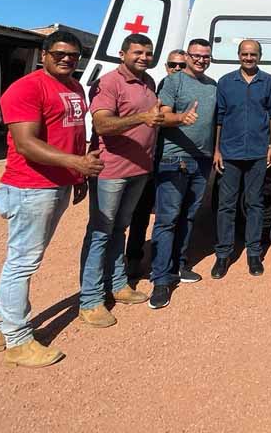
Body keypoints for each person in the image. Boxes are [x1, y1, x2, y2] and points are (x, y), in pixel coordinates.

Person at [0, 31, 103, 368]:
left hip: (58, 184)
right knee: (22, 263)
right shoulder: (26, 88)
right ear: (43, 54)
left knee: (21, 261)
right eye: (60, 53)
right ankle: (18, 340)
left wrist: (76, 176)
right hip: (30, 187)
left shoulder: (74, 87)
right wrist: (76, 163)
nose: (67, 59)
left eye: (73, 55)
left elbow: (74, 134)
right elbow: (25, 144)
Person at [79, 33, 162, 328]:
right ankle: (90, 300)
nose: (143, 57)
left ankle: (117, 284)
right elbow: (102, 123)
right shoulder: (110, 83)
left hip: (138, 169)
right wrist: (141, 118)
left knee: (119, 230)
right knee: (100, 232)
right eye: (137, 52)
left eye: (148, 53)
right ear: (122, 53)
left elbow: (153, 118)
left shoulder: (149, 82)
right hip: (111, 170)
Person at [147, 40, 218, 309]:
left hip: (201, 160)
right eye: (196, 55)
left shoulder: (212, 85)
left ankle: (178, 265)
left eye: (206, 56)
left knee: (189, 216)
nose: (201, 60)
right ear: (187, 56)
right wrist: (180, 118)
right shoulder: (173, 82)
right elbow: (160, 117)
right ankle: (161, 279)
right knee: (167, 219)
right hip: (173, 159)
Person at [212, 39, 271, 279]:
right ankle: (223, 254)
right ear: (238, 55)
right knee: (226, 205)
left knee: (255, 204)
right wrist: (217, 149)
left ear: (259, 56)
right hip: (229, 153)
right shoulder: (226, 82)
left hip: (258, 153)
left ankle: (253, 253)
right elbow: (219, 118)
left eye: (253, 54)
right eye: (244, 54)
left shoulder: (268, 82)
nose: (248, 58)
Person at [126, 49, 187, 277]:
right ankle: (133, 258)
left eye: (182, 65)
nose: (177, 69)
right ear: (166, 66)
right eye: (173, 65)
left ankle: (166, 259)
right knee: (140, 213)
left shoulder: (185, 88)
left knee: (169, 213)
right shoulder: (154, 88)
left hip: (171, 161)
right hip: (148, 162)